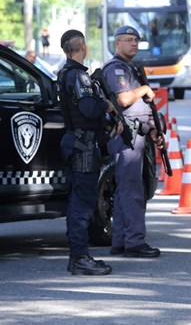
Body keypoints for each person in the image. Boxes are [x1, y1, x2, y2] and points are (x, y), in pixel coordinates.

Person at [58, 29, 120, 275]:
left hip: (76, 143)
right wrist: (106, 105)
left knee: (77, 202)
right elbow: (89, 109)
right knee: (82, 205)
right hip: (83, 146)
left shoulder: (65, 73)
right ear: (82, 46)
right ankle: (80, 257)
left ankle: (78, 255)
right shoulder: (78, 76)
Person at [103, 25, 162, 258]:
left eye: (137, 40)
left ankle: (120, 241)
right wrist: (145, 88)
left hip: (137, 133)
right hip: (126, 137)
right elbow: (124, 98)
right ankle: (134, 243)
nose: (134, 43)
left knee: (125, 190)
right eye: (128, 40)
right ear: (117, 43)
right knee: (132, 191)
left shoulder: (130, 68)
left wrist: (153, 127)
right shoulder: (115, 68)